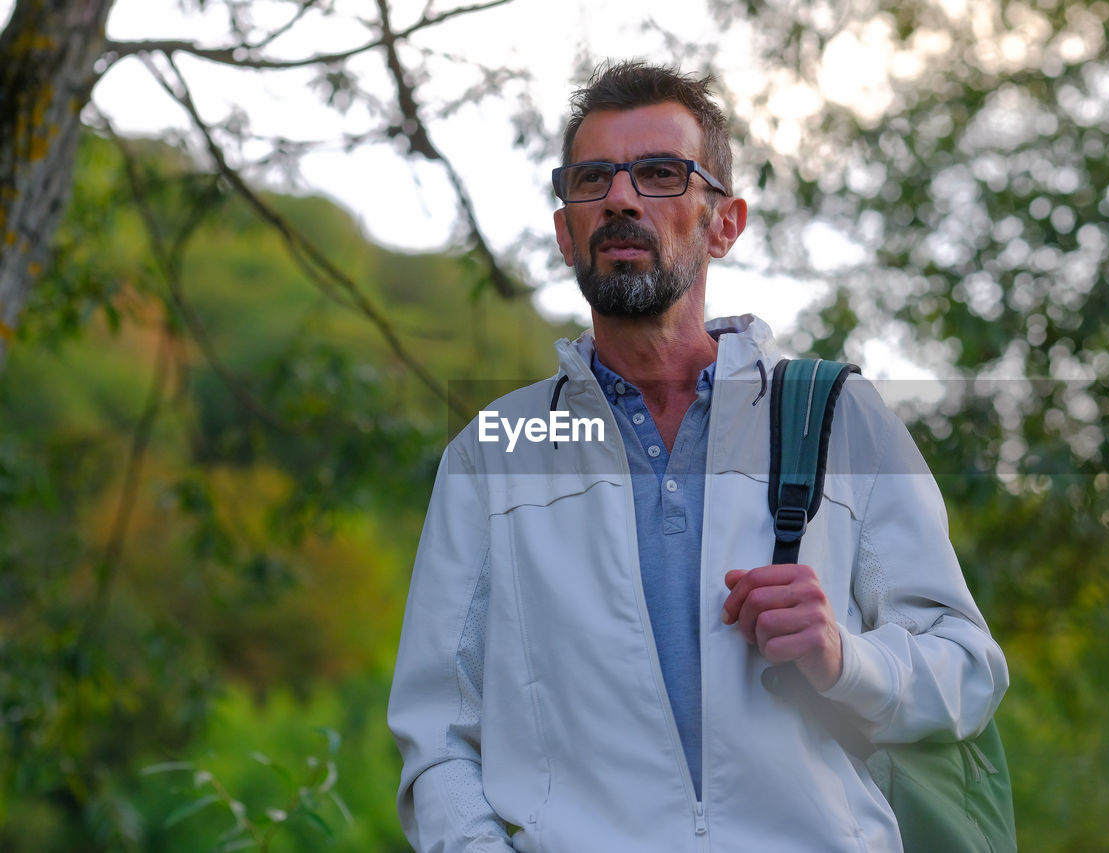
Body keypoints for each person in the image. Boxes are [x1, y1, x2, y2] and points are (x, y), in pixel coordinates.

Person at [388, 60, 1009, 852]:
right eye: (591, 180)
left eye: (658, 173)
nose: (618, 197)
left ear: (725, 223)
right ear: (565, 230)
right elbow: (438, 731)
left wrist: (844, 657)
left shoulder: (840, 418)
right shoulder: (495, 451)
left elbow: (967, 669)